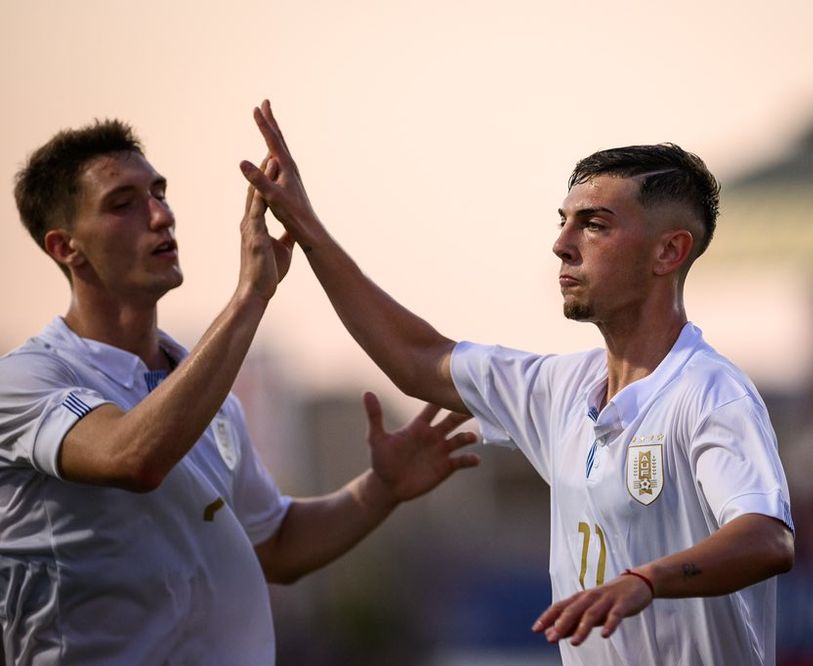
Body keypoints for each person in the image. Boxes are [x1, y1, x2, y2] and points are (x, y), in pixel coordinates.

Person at [242, 100, 796, 665]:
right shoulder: (559, 390)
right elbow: (415, 357)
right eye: (565, 221)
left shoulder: (711, 393)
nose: (563, 243)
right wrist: (307, 231)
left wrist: (647, 580)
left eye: (595, 224)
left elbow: (767, 539)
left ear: (668, 251)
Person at [0, 119, 480, 664]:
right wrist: (251, 295)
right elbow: (131, 457)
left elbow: (275, 547)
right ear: (66, 247)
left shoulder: (209, 399)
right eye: (122, 204)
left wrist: (381, 487)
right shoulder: (25, 380)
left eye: (159, 193)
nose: (161, 215)